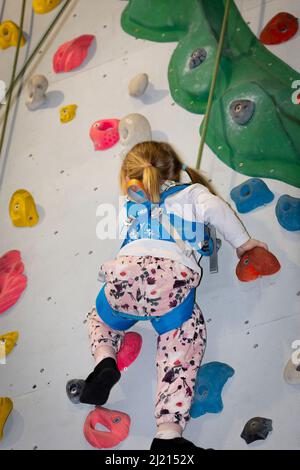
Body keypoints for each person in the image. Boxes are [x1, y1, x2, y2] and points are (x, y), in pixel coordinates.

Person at [72, 142, 268, 451]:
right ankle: (167, 433)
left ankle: (105, 361)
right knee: (182, 344)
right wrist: (242, 243)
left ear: (130, 176)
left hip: (122, 277)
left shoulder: (127, 203)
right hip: (169, 282)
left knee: (98, 317)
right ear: (174, 170)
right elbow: (217, 210)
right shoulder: (192, 195)